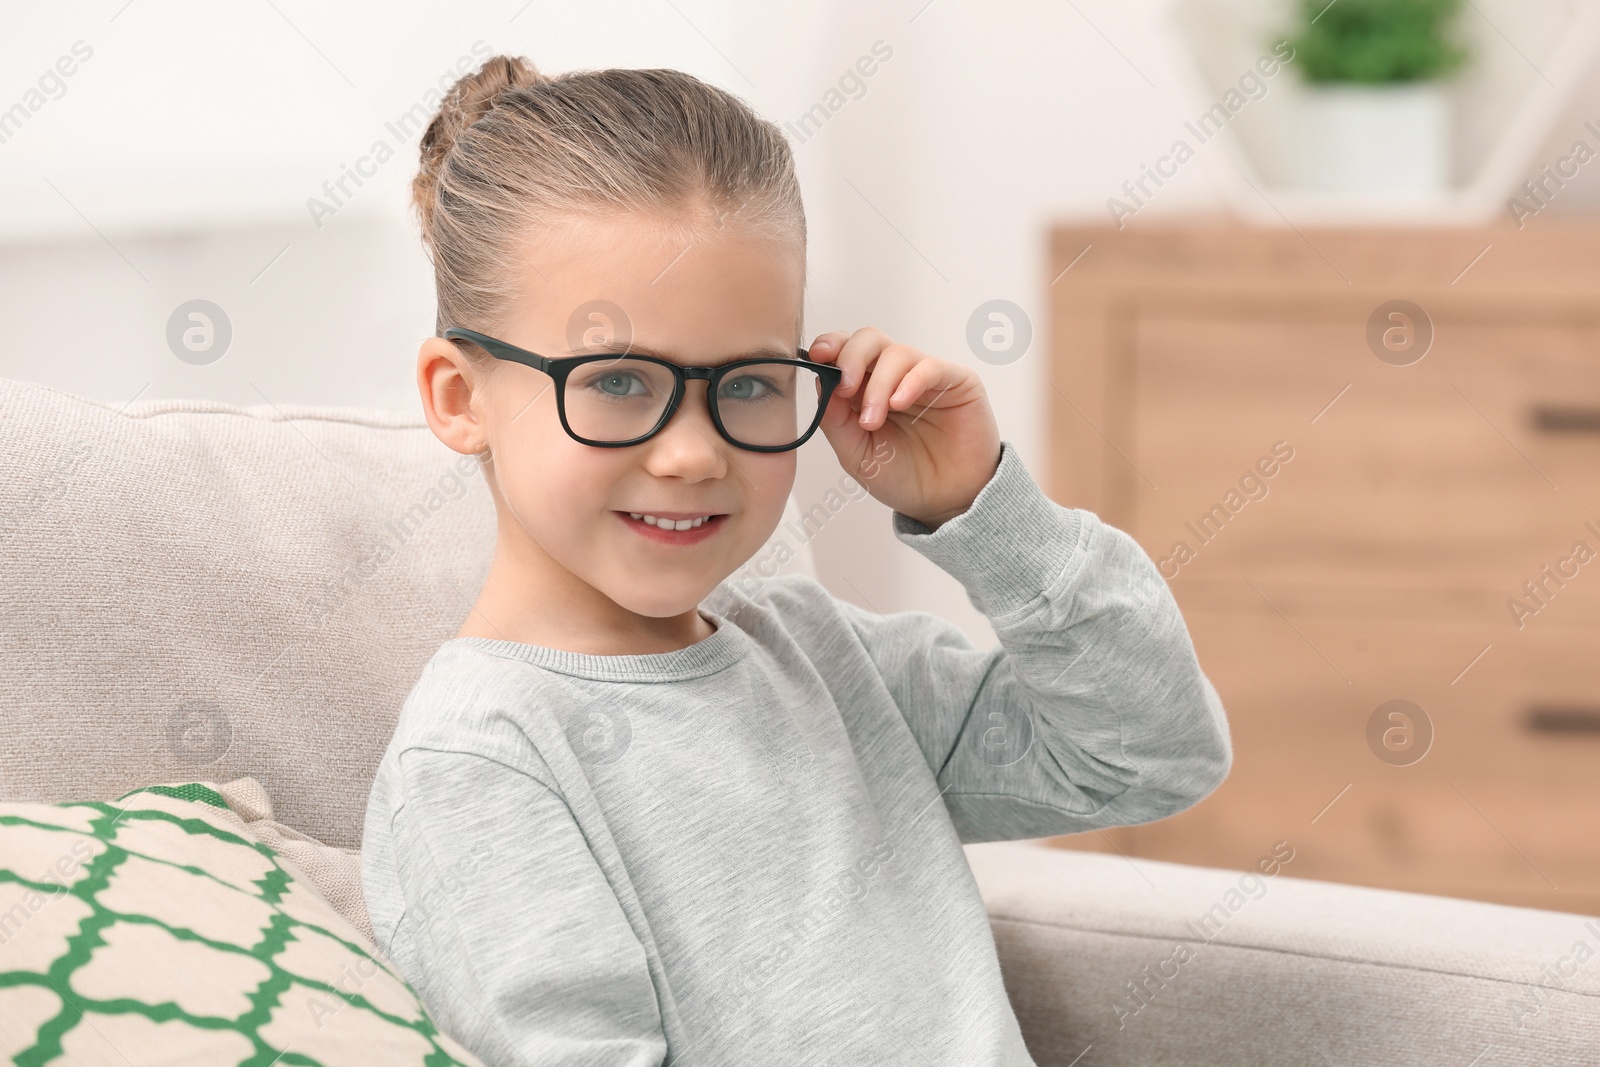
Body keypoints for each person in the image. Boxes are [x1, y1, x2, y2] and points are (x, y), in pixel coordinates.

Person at [360, 52, 1232, 1067]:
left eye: (746, 384)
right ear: (459, 398)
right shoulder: (480, 758)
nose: (692, 452)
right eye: (618, 382)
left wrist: (984, 508)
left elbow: (1152, 751)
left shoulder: (823, 655)